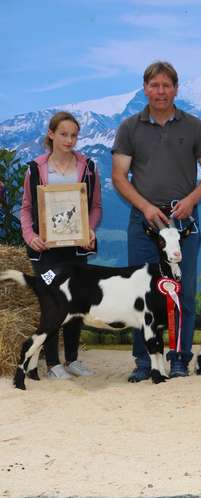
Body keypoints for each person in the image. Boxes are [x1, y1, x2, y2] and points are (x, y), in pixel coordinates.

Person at [111, 61, 201, 381]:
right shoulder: (130, 127)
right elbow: (119, 177)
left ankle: (179, 358)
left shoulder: (194, 126)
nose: (160, 92)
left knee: (183, 292)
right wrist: (144, 206)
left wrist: (191, 200)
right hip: (143, 222)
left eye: (166, 86)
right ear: (145, 88)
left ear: (176, 88)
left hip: (183, 221)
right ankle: (143, 362)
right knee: (141, 293)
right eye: (154, 86)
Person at [19, 111, 102, 379]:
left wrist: (90, 228)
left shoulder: (88, 167)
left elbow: (96, 207)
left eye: (74, 135)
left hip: (77, 247)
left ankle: (73, 360)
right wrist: (31, 236)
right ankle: (53, 363)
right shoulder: (35, 169)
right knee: (53, 304)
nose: (69, 140)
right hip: (46, 249)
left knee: (77, 303)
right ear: (51, 135)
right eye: (64, 134)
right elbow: (26, 209)